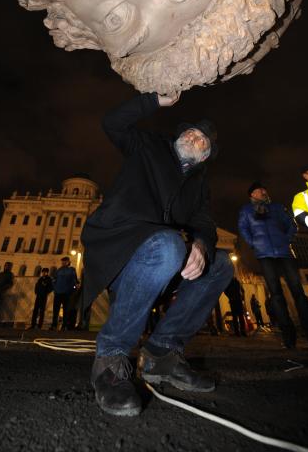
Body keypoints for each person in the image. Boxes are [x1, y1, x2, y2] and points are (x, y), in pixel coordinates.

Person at [81, 92, 233, 417]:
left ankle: (162, 355)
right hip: (121, 248)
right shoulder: (147, 146)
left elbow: (205, 223)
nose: (194, 136)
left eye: (202, 139)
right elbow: (112, 122)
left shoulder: (199, 187)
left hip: (164, 257)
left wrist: (202, 246)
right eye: (191, 131)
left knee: (220, 265)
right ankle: (111, 358)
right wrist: (154, 101)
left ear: (205, 156)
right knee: (168, 245)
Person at [238, 183, 308, 350]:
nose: (264, 191)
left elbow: (291, 225)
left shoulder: (277, 207)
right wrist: (254, 244)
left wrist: (287, 239)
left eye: (265, 189)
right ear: (252, 195)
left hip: (285, 253)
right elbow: (243, 229)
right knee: (276, 295)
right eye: (259, 190)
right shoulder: (246, 210)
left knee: (299, 293)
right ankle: (289, 338)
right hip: (264, 255)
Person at [51, 257, 78, 331]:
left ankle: (64, 325)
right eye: (62, 261)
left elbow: (74, 280)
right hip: (58, 292)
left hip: (66, 293)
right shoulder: (58, 270)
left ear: (68, 262)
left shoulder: (71, 270)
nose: (63, 263)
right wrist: (55, 288)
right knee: (56, 310)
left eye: (65, 261)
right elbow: (54, 279)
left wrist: (72, 289)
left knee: (66, 310)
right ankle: (54, 325)